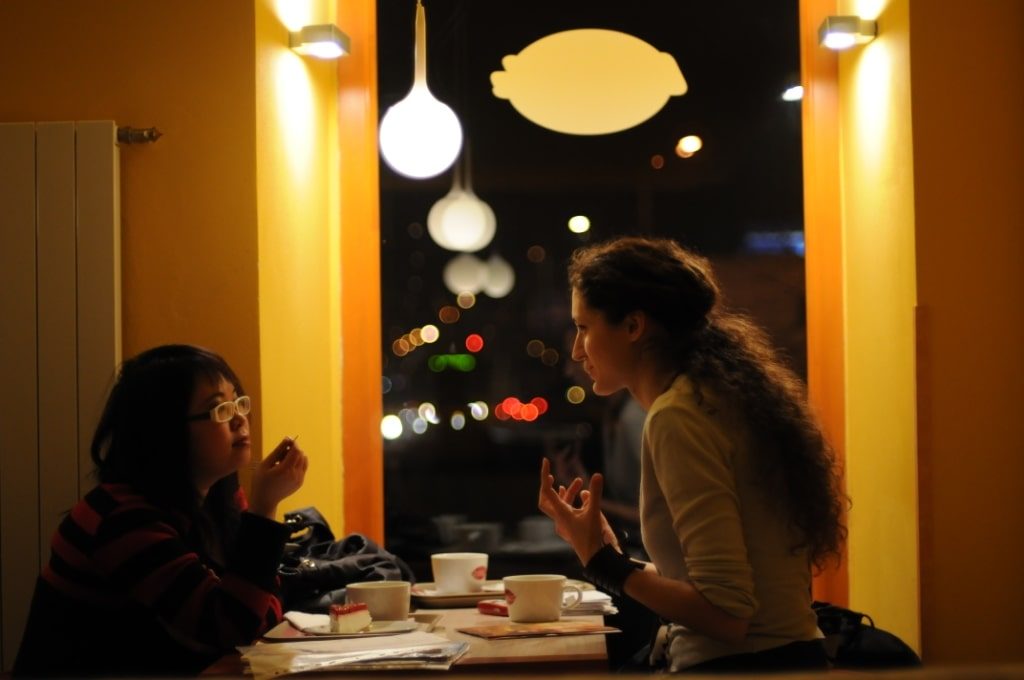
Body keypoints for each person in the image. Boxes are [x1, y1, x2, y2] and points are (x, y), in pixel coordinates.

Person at [537, 236, 847, 673]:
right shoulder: (715, 399)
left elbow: (727, 615)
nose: (575, 349)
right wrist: (609, 551)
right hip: (788, 659)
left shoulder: (678, 417)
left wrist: (602, 562)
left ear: (633, 326)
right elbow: (717, 589)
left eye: (584, 327)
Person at [14, 344, 309, 677]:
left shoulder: (217, 497)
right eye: (220, 409)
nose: (240, 417)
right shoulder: (119, 519)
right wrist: (265, 508)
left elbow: (261, 614)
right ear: (166, 430)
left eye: (238, 400)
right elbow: (231, 628)